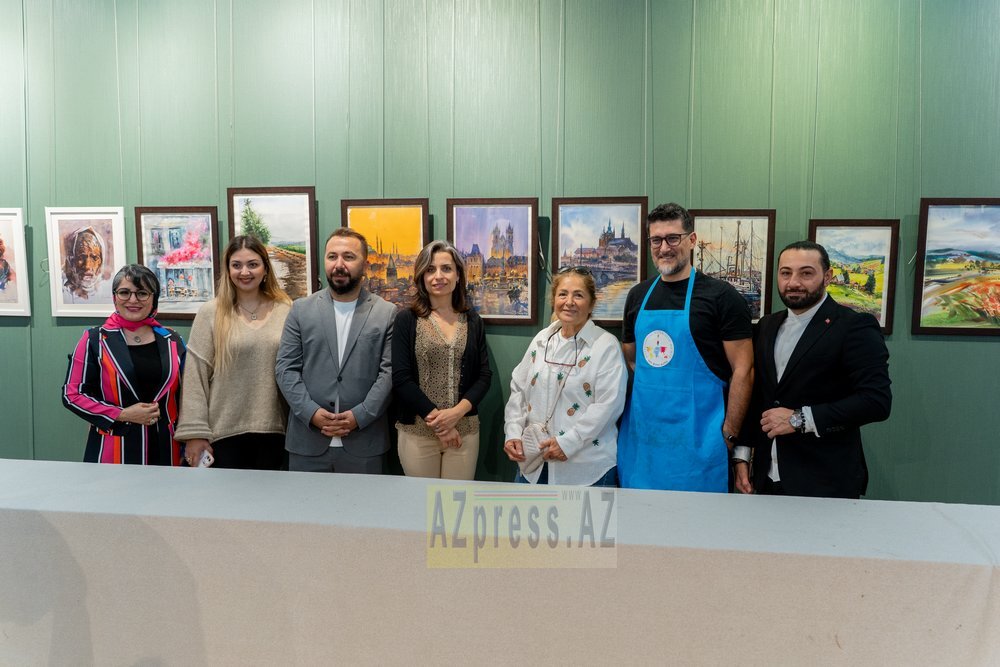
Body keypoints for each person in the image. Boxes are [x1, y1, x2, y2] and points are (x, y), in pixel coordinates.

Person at [732, 241, 891, 498]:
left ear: (827, 277)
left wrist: (800, 419)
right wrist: (741, 454)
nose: (793, 282)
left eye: (806, 273)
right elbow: (758, 397)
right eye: (786, 273)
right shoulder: (766, 326)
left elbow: (876, 401)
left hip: (826, 482)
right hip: (765, 478)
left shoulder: (855, 326)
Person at [618, 202, 754, 492]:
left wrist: (730, 433)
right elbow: (631, 361)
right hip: (644, 441)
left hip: (700, 442)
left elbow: (744, 370)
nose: (664, 248)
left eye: (673, 238)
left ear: (692, 240)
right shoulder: (637, 296)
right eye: (656, 240)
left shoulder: (722, 297)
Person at [275, 228, 396, 473]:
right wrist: (311, 413)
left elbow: (389, 374)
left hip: (364, 443)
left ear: (365, 264)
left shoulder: (386, 312)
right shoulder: (300, 310)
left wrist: (360, 416)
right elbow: (286, 369)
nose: (339, 264)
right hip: (307, 442)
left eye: (348, 257)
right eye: (332, 257)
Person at [174, 235, 293, 469]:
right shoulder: (211, 313)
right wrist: (194, 433)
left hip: (276, 431)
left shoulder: (287, 310)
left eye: (253, 264)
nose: (244, 272)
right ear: (228, 271)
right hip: (223, 433)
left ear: (265, 269)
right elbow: (196, 376)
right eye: (236, 265)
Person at [503, 266, 627, 486]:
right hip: (534, 463)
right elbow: (519, 388)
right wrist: (513, 431)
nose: (569, 302)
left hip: (585, 470)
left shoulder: (605, 345)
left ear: (591, 303)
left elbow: (608, 405)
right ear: (554, 300)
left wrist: (568, 442)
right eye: (563, 294)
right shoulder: (542, 339)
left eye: (578, 295)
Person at [62, 264, 186, 465]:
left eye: (142, 293)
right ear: (115, 297)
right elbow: (73, 395)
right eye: (125, 292)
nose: (133, 300)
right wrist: (122, 414)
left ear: (154, 298)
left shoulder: (172, 340)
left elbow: (188, 395)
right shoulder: (94, 340)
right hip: (114, 450)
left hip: (166, 449)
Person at [392, 241, 492, 479]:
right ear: (422, 277)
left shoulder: (473, 321)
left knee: (455, 501)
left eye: (446, 269)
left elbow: (484, 375)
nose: (438, 276)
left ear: (458, 275)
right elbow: (401, 378)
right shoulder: (407, 319)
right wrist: (441, 424)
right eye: (430, 269)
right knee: (421, 501)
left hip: (464, 432)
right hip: (418, 433)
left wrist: (456, 414)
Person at [62, 226, 112, 303]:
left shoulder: (108, 289)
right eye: (81, 257)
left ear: (101, 261)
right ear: (72, 260)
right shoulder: (63, 291)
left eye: (94, 258)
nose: (87, 266)